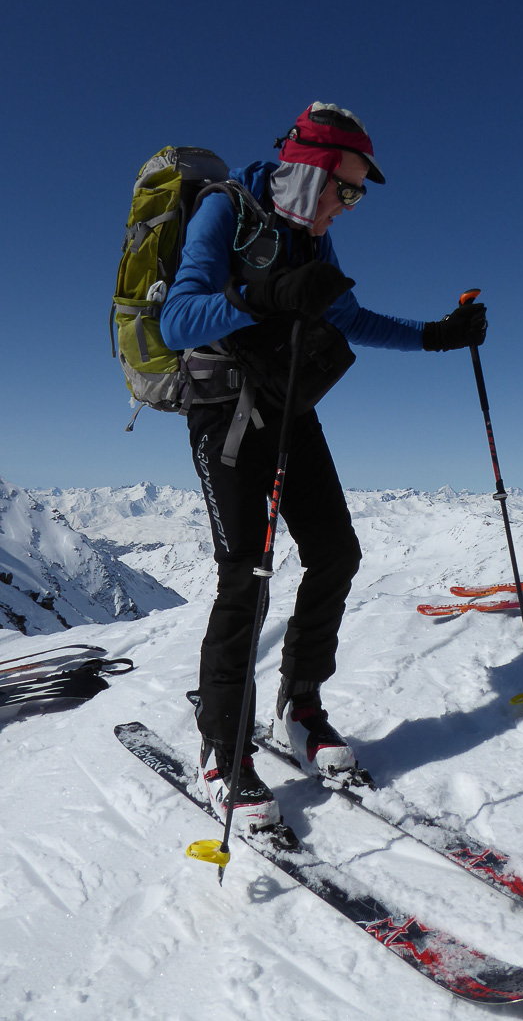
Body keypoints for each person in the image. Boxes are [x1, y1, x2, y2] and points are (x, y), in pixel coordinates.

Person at [160, 101, 487, 831]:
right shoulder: (227, 211)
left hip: (287, 409)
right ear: (311, 173)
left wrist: (437, 335)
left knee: (336, 551)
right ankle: (222, 749)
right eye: (347, 189)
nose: (348, 206)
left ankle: (299, 706)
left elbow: (348, 316)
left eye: (355, 195)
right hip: (225, 415)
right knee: (245, 575)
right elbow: (177, 322)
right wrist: (260, 296)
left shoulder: (312, 239)